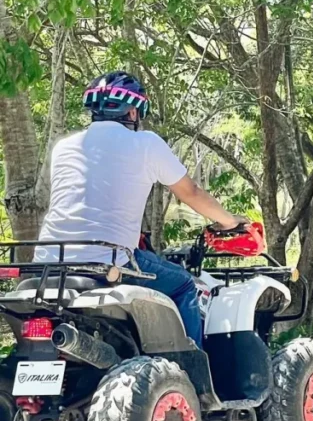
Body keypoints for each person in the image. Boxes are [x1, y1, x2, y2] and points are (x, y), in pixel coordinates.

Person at [35, 71, 245, 349]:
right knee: (184, 284)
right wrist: (229, 221)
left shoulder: (63, 147)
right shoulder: (145, 144)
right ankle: (193, 376)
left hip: (47, 264)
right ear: (133, 112)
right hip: (107, 262)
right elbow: (191, 193)